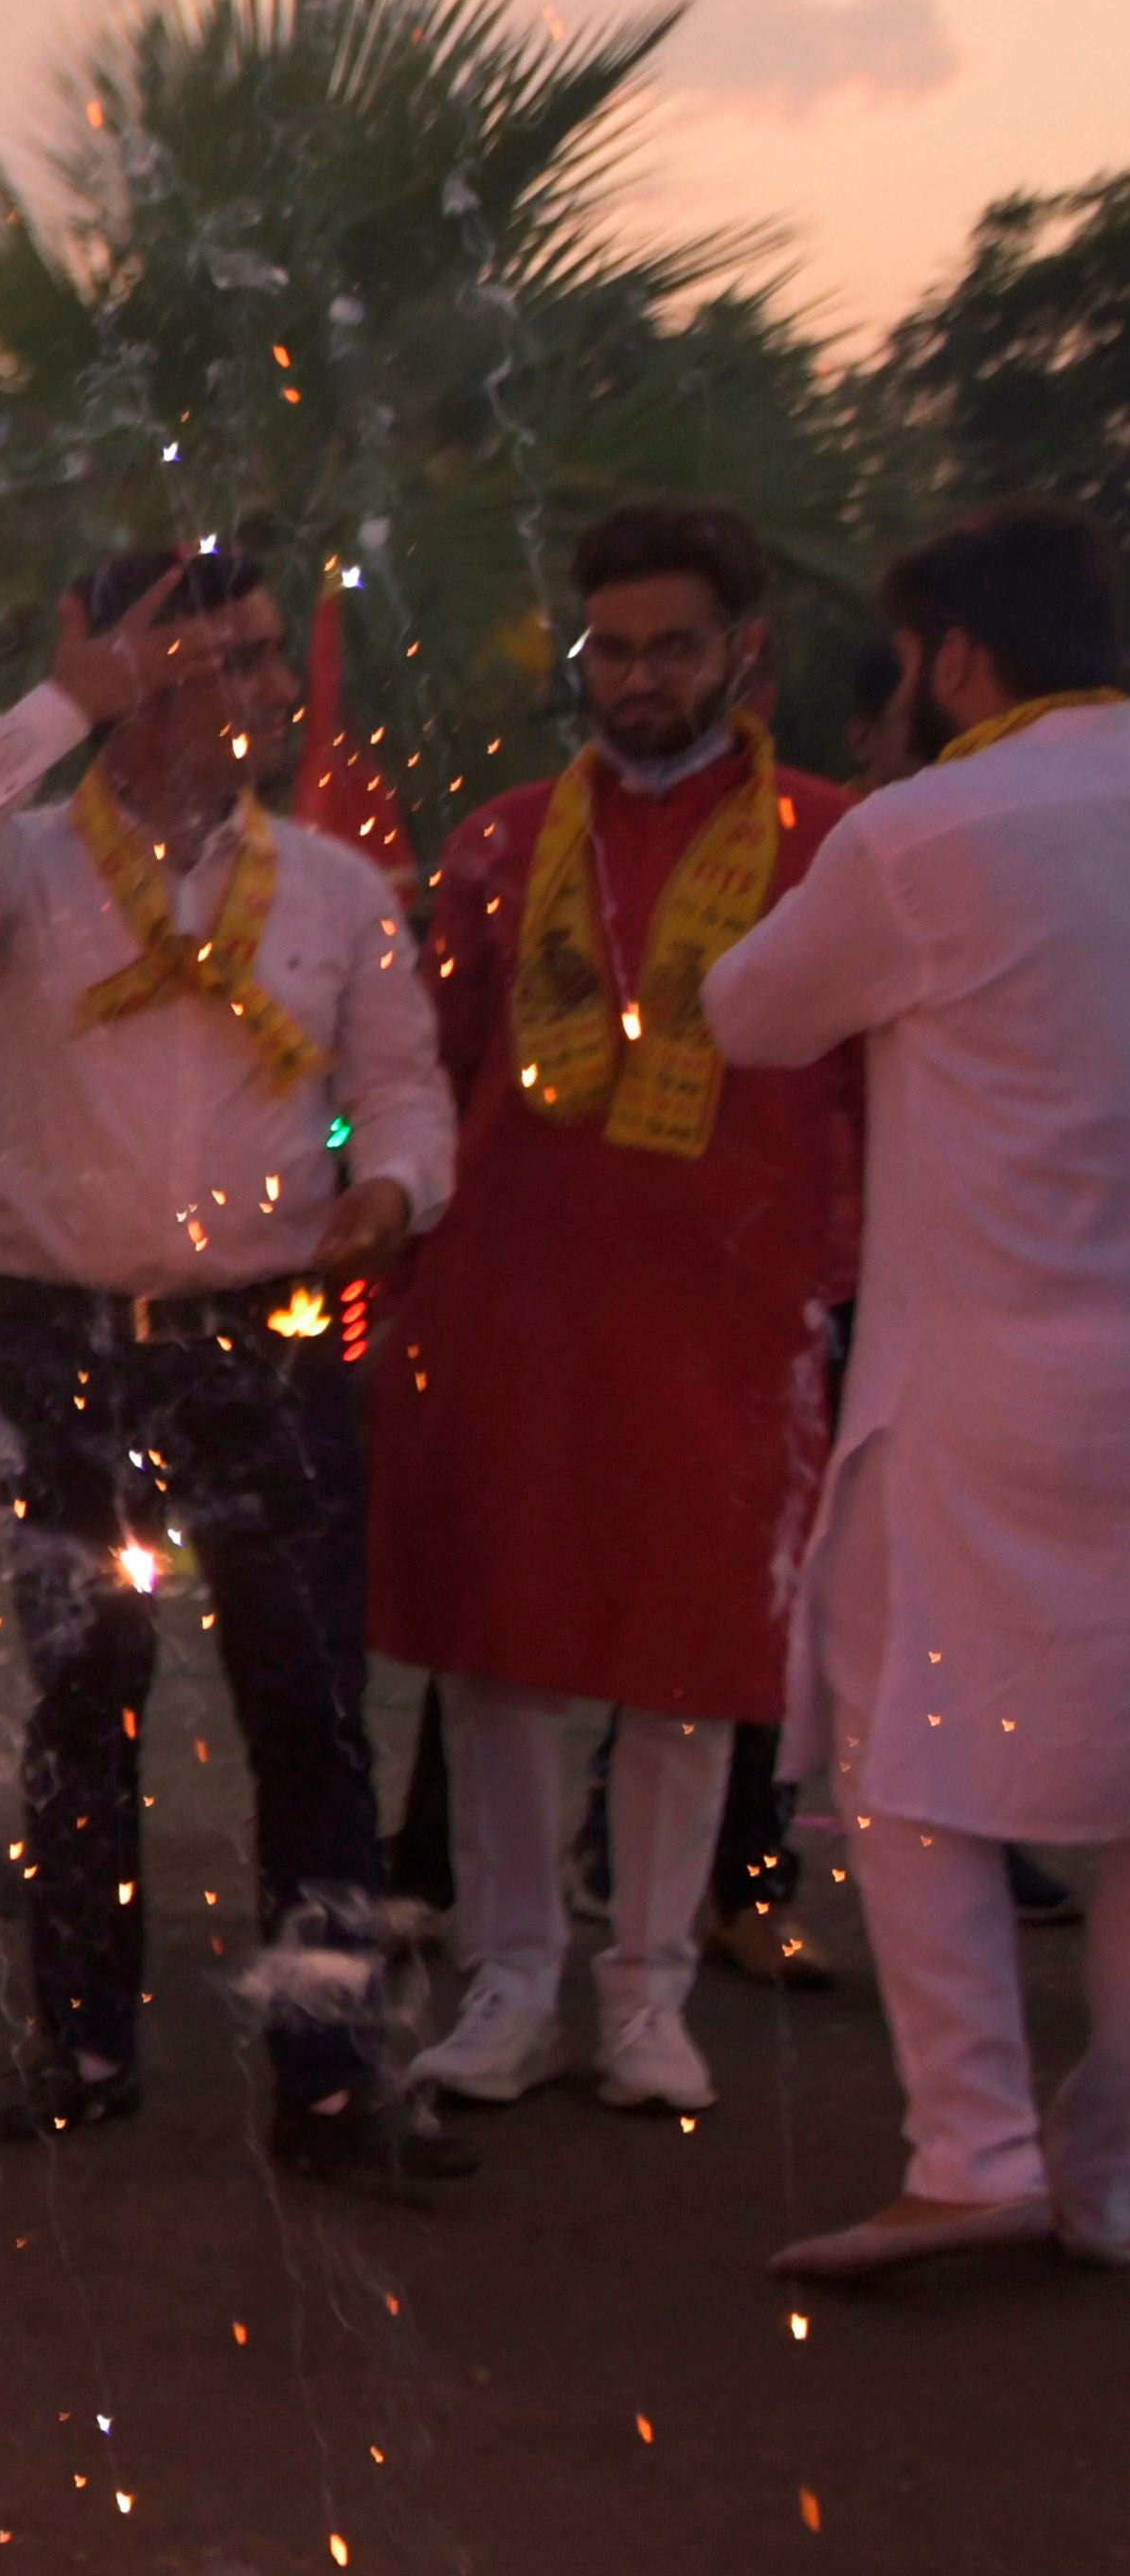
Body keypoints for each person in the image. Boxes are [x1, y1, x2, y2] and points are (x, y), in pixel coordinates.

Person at [0, 540, 468, 2188]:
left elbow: (405, 1089)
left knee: (306, 1714)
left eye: (270, 659)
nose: (268, 693)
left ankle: (329, 2070)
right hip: (59, 1338)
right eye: (228, 660)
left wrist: (393, 1185)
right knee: (80, 1701)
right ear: (142, 671)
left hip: (261, 1339)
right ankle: (80, 2041)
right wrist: (70, 694)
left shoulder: (336, 887)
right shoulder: (30, 864)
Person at [369, 507, 855, 2115]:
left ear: (743, 653)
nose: (637, 678)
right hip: (516, 1293)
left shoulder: (829, 841)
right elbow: (436, 1067)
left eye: (671, 646)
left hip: (724, 1303)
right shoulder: (501, 839)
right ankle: (510, 1979)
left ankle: (645, 1994)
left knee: (684, 1665)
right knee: (501, 1658)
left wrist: (826, 1279)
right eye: (612, 649)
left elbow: (863, 1090)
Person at [698, 508, 1130, 2280]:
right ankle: (1106, 2171)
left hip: (980, 1373)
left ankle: (974, 2143)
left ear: (952, 655)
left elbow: (746, 1015)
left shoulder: (926, 828)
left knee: (898, 1752)